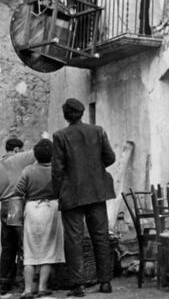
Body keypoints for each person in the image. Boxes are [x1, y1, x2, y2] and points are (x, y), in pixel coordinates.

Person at [51, 99, 116, 297]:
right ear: (82, 113)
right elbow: (110, 158)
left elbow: (57, 170)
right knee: (101, 236)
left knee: (73, 240)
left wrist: (57, 193)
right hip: (97, 192)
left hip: (72, 194)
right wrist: (96, 169)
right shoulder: (98, 130)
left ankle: (77, 286)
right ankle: (105, 282)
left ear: (65, 115)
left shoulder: (60, 136)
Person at [14, 138, 65, 299]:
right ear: (52, 155)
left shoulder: (28, 170)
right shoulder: (58, 170)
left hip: (33, 209)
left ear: (35, 155)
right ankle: (43, 287)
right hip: (52, 209)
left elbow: (18, 191)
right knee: (48, 249)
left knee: (29, 250)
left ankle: (28, 290)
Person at [0, 137, 36, 295]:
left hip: (4, 205)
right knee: (24, 245)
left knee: (7, 246)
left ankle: (4, 284)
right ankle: (24, 284)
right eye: (21, 150)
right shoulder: (19, 158)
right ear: (16, 150)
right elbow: (38, 152)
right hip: (17, 204)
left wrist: (4, 197)